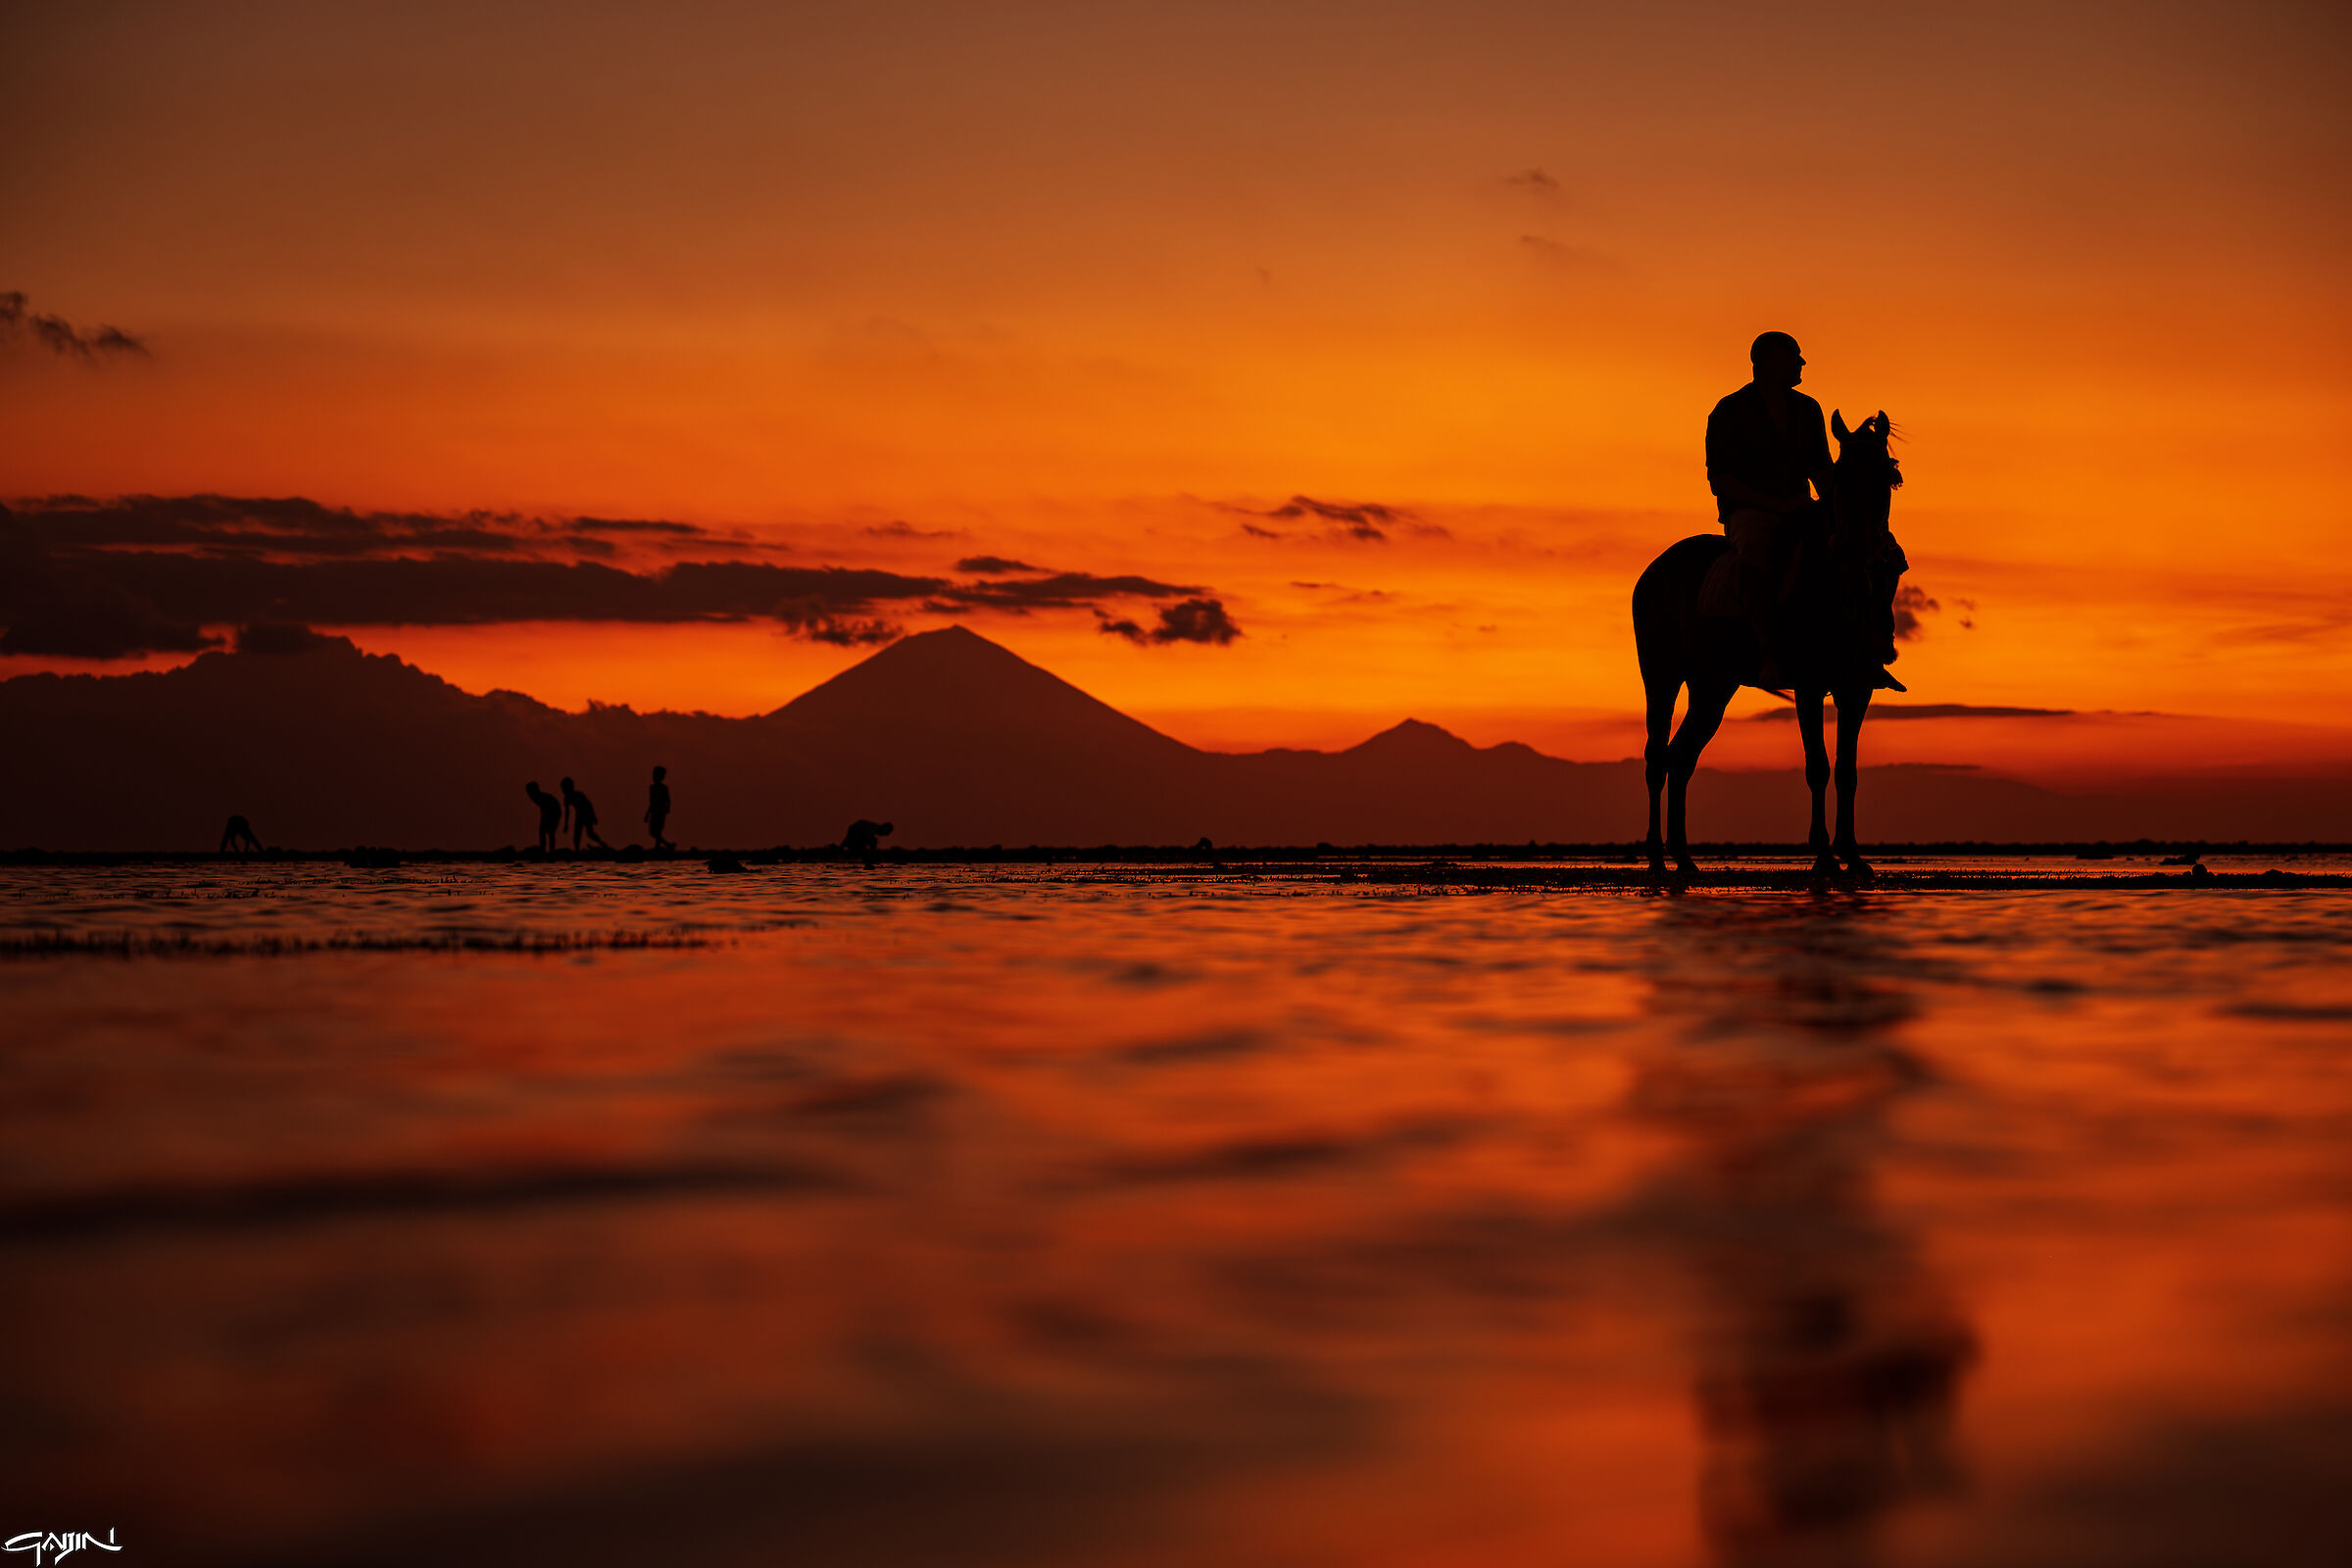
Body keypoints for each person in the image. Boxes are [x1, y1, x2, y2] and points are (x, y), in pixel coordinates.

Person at [1705, 332, 1836, 689]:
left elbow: (1822, 471)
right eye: (1794, 356)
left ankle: (1863, 650)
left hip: (1799, 509)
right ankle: (1768, 653)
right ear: (1767, 362)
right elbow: (1722, 481)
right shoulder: (1729, 411)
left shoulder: (1809, 410)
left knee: (1853, 550)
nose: (1802, 362)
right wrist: (1774, 504)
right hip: (1749, 514)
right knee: (1756, 550)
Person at [562, 777, 610, 850]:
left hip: (586, 814)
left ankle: (603, 845)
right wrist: (566, 824)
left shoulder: (579, 795)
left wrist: (593, 816)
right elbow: (567, 811)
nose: (563, 790)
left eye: (563, 788)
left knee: (590, 834)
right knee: (577, 836)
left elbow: (588, 805)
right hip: (579, 816)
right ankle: (577, 851)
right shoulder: (567, 798)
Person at [525, 781, 563, 853]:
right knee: (544, 832)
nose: (528, 794)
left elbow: (546, 809)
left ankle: (549, 851)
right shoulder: (537, 797)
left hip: (554, 812)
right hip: (551, 813)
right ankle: (545, 850)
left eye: (529, 791)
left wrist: (545, 820)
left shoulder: (539, 797)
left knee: (549, 832)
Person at [644, 765, 674, 851]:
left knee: (657, 831)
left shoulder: (664, 788)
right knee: (653, 832)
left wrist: (667, 808)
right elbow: (651, 802)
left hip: (660, 811)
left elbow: (667, 800)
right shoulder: (652, 788)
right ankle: (667, 845)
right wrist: (647, 814)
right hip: (654, 811)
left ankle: (659, 847)